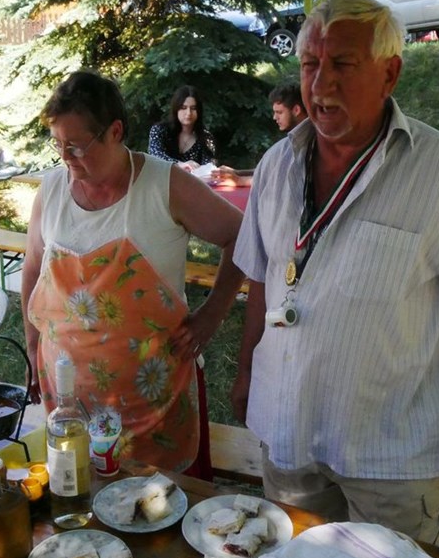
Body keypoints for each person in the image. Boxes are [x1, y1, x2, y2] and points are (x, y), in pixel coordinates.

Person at [231, 0, 439, 545]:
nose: (321, 84)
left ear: (390, 74)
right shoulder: (276, 165)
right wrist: (247, 369)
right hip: (287, 430)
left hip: (388, 452)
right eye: (310, 64)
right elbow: (262, 278)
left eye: (343, 64)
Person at [21, 70, 244, 477]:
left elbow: (241, 235)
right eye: (58, 145)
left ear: (115, 132)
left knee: (159, 503)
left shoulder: (164, 186)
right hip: (69, 399)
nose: (66, 158)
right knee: (80, 498)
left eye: (76, 146)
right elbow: (34, 268)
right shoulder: (51, 190)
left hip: (154, 402)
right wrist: (32, 343)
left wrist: (212, 315)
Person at [211, 82, 308, 187]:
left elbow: (284, 179)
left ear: (296, 110)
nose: (274, 117)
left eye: (279, 112)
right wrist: (237, 172)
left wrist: (240, 180)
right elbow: (271, 169)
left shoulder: (309, 141)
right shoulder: (295, 139)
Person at [148, 85, 216, 173]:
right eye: (183, 108)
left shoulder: (206, 138)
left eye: (193, 108)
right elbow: (155, 157)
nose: (188, 113)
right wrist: (180, 164)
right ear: (176, 109)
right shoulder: (159, 130)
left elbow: (209, 169)